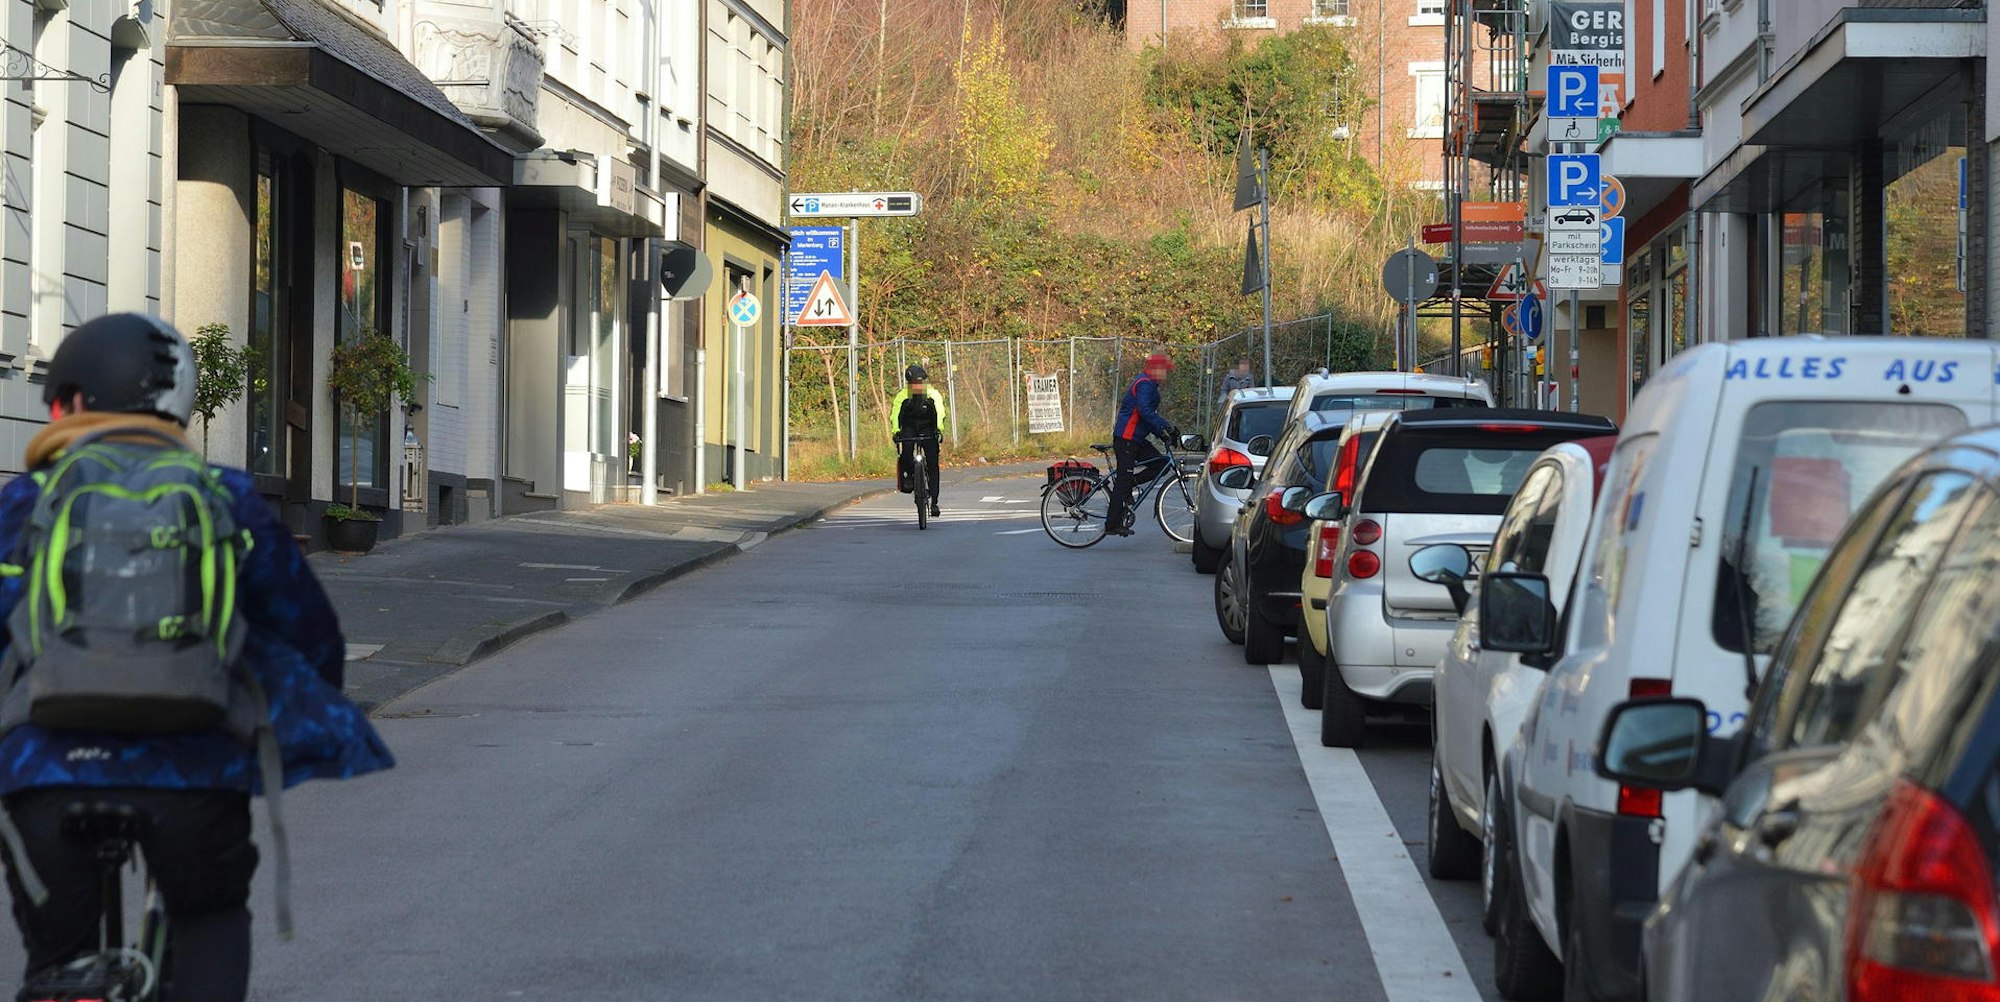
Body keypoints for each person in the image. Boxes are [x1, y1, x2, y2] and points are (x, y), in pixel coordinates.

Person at [0, 313, 394, 1002]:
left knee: (57, 960)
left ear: (65, 405)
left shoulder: (24, 503)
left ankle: (64, 979)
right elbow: (309, 634)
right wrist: (303, 710)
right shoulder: (226, 497)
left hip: (47, 769)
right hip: (194, 765)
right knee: (208, 911)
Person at [1106, 353, 1179, 537]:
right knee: (1122, 481)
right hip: (1127, 439)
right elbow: (1145, 412)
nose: (1165, 375)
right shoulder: (1145, 384)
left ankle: (1131, 483)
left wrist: (1161, 433)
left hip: (1135, 439)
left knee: (1161, 464)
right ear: (1155, 369)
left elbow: (1145, 418)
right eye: (1163, 370)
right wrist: (1165, 426)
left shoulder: (1148, 384)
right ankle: (1111, 524)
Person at [890, 364, 948, 518]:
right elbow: (895, 414)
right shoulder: (903, 395)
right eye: (914, 383)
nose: (917, 386)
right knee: (906, 451)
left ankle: (934, 501)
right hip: (910, 426)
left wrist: (939, 430)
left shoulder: (932, 394)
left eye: (919, 383)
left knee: (932, 463)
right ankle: (909, 476)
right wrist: (896, 431)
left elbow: (940, 412)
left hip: (928, 427)